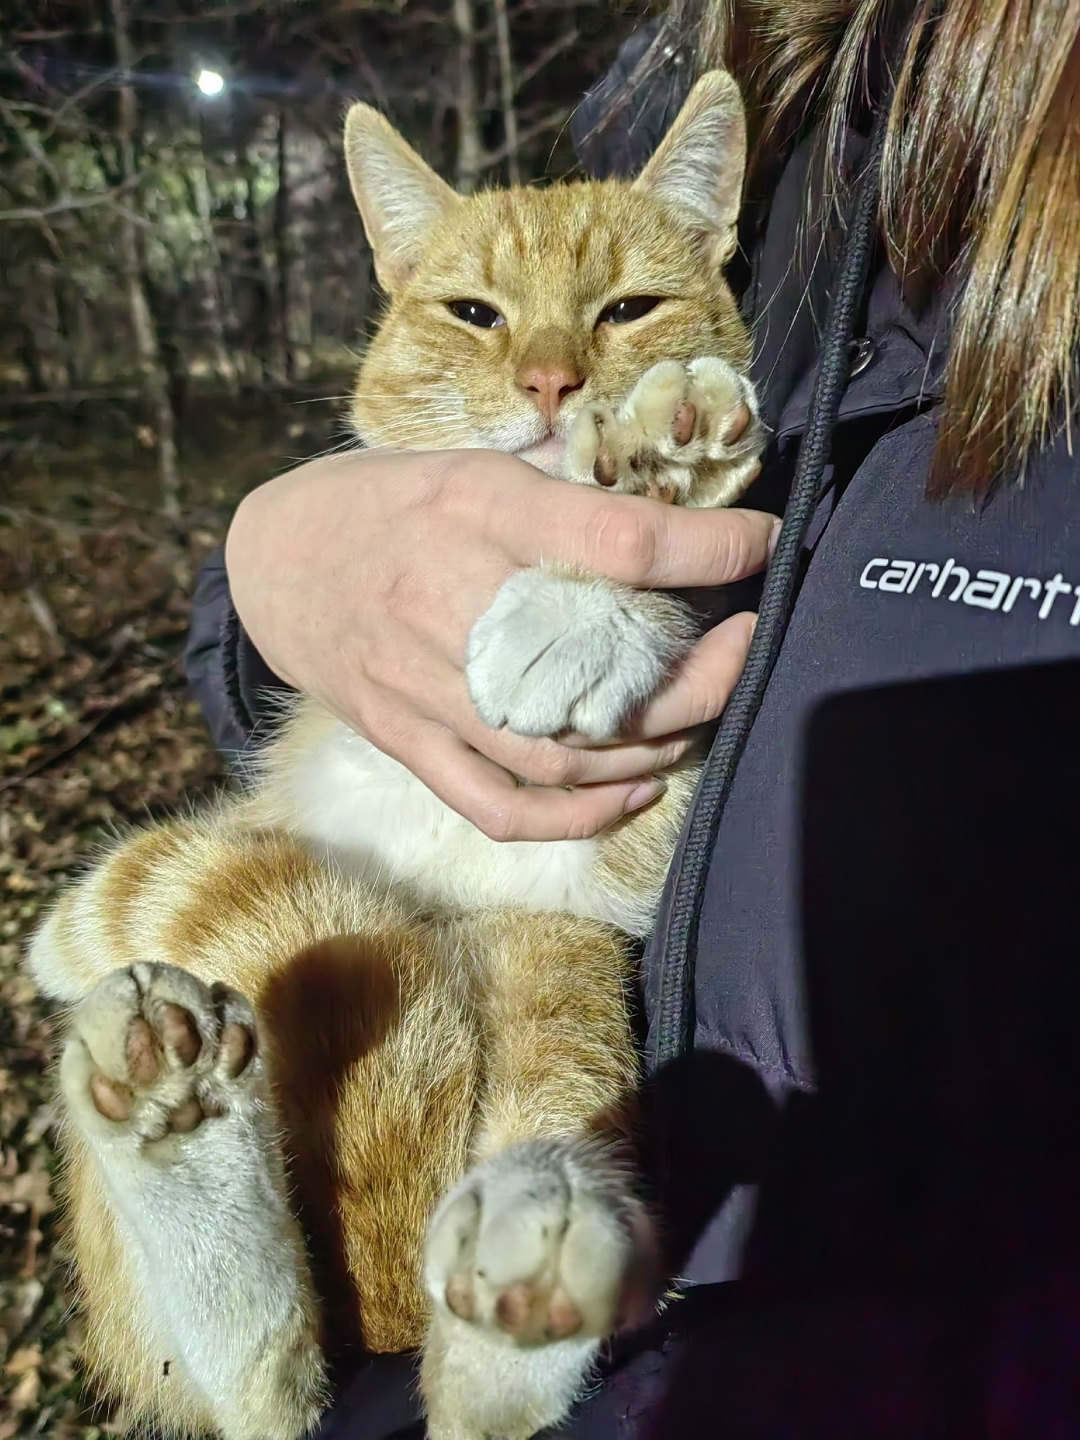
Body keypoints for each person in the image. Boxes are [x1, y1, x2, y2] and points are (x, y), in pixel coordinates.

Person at [186, 2, 1080, 1433]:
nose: (547, 367)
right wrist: (262, 578)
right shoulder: (689, 63)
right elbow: (314, 606)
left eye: (621, 312)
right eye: (478, 315)